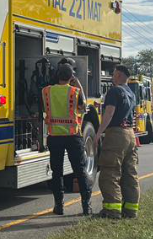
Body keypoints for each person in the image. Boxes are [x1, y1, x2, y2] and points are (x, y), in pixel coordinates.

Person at [41, 61, 91, 216]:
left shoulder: (46, 91)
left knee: (57, 172)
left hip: (54, 137)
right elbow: (84, 106)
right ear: (72, 77)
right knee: (80, 171)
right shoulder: (75, 92)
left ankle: (59, 205)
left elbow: (44, 108)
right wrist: (79, 84)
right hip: (73, 136)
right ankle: (86, 206)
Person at [95, 64, 140, 219]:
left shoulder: (114, 91)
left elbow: (109, 113)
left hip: (116, 134)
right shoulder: (131, 93)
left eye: (113, 74)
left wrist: (98, 133)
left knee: (109, 172)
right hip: (130, 134)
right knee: (130, 174)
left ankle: (112, 211)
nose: (112, 77)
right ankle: (131, 210)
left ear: (120, 75)